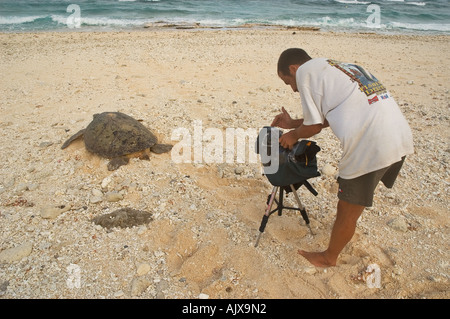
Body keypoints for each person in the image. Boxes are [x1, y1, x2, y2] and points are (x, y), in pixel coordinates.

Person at [271, 48, 414, 267]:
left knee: (347, 207)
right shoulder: (335, 67)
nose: (292, 89)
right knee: (352, 203)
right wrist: (292, 124)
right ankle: (344, 231)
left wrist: (293, 135)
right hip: (398, 135)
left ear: (294, 69)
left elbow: (314, 127)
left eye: (287, 81)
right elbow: (327, 117)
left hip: (373, 143)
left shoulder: (306, 73)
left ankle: (329, 258)